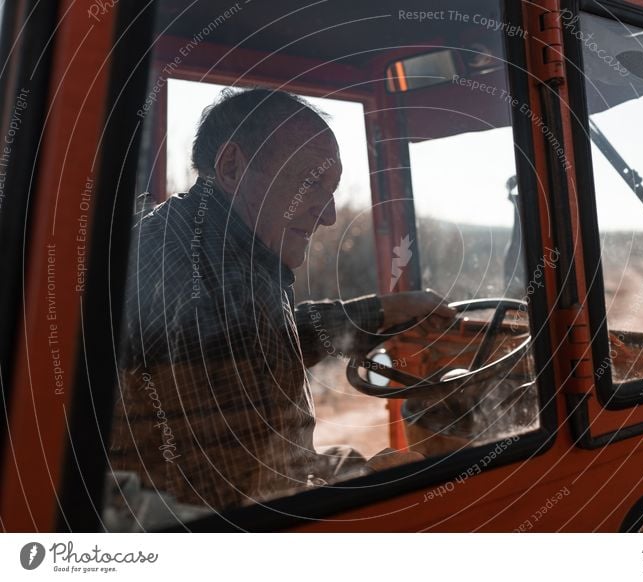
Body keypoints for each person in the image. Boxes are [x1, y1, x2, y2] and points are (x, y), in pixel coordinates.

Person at [110, 88, 453, 510]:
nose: (327, 215)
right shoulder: (224, 288)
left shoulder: (182, 235)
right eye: (311, 182)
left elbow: (265, 341)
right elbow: (260, 492)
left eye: (331, 191)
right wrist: (370, 476)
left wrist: (382, 311)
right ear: (233, 165)